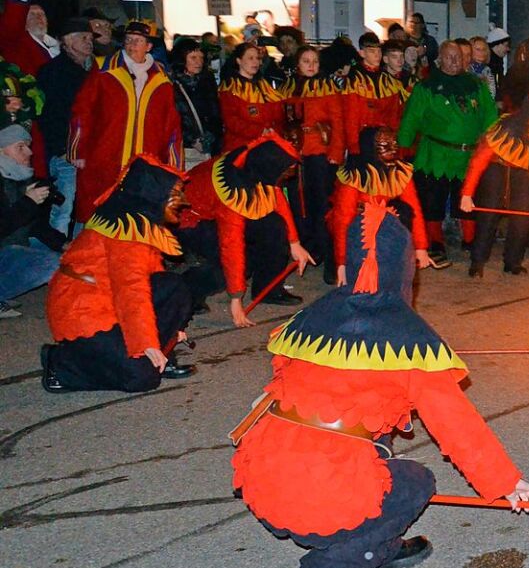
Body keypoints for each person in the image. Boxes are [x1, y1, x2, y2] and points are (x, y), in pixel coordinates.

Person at [231, 203, 529, 568]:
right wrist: (507, 482)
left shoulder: (311, 318)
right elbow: (458, 427)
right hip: (315, 498)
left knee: (372, 454)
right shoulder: (408, 345)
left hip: (263, 481)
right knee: (414, 482)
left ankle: (376, 543)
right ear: (402, 271)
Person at [41, 155, 194, 392]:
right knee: (142, 379)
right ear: (153, 198)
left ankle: (157, 357)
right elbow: (131, 292)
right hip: (83, 311)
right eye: (175, 195)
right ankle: (62, 363)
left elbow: (153, 280)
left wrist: (169, 328)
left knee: (175, 286)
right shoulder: (126, 234)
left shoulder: (137, 219)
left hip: (107, 300)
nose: (183, 201)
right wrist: (146, 343)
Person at [175, 133, 314, 327]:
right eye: (287, 172)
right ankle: (186, 292)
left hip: (221, 210)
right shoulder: (233, 192)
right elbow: (231, 246)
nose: (290, 177)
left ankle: (268, 288)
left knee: (273, 226)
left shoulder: (256, 166)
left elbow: (276, 199)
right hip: (193, 219)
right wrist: (236, 298)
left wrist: (294, 243)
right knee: (232, 266)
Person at [68, 20, 182, 225]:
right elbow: (82, 110)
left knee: (138, 220)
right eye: (128, 40)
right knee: (97, 218)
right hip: (105, 157)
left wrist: (173, 165)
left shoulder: (162, 77)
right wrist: (77, 150)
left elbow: (171, 125)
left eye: (137, 41)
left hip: (145, 163)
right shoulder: (104, 68)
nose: (131, 45)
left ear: (148, 47)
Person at [397, 41, 499, 264]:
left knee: (467, 200)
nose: (455, 62)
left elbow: (490, 117)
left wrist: (494, 145)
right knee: (433, 202)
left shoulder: (476, 85)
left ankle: (470, 241)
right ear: (439, 59)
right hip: (436, 156)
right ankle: (436, 244)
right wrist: (400, 152)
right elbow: (410, 119)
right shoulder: (426, 87)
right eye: (450, 57)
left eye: (459, 57)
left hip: (468, 156)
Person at [460, 103, 529, 277]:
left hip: (523, 173)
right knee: (487, 216)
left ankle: (513, 261)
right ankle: (477, 261)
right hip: (496, 168)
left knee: (523, 216)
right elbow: (478, 163)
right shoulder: (503, 132)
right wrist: (467, 195)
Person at [327, 126, 429, 285]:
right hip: (359, 232)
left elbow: (414, 208)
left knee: (403, 210)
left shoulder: (401, 172)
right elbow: (343, 221)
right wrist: (342, 263)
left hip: (388, 230)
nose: (392, 149)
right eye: (385, 145)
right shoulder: (354, 177)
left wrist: (420, 247)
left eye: (394, 144)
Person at [281, 45, 344, 265]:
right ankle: (307, 247)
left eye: (315, 61)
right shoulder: (289, 88)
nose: (311, 66)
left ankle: (327, 250)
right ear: (297, 64)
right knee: (300, 203)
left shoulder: (327, 87)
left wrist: (336, 153)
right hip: (296, 152)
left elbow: (337, 122)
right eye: (306, 61)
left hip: (320, 152)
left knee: (321, 203)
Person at [36, 16, 94, 235]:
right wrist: (63, 149)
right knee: (64, 207)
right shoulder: (55, 72)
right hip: (66, 152)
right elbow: (53, 115)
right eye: (83, 37)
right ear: (67, 42)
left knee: (82, 207)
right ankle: (50, 257)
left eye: (89, 38)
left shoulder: (89, 71)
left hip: (83, 151)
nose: (88, 42)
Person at [0, 123, 63, 318]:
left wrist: (64, 244)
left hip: (12, 245)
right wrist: (28, 202)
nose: (29, 152)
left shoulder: (21, 179)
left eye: (28, 145)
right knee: (48, 263)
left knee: (62, 258)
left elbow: (35, 225)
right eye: (20, 146)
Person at [341, 32, 409, 156]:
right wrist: (353, 144)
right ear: (362, 53)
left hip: (386, 141)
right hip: (363, 140)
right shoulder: (354, 79)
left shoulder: (389, 81)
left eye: (379, 51)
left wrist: (395, 139)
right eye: (372, 51)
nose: (377, 55)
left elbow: (395, 116)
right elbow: (351, 116)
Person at [219, 42, 285, 151]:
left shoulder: (265, 86)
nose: (256, 62)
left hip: (268, 145)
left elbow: (280, 116)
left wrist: (273, 131)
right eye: (250, 58)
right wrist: (259, 131)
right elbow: (232, 121)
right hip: (240, 148)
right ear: (238, 61)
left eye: (258, 58)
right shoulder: (230, 88)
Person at [169, 38, 222, 169]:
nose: (199, 62)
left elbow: (216, 113)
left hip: (208, 148)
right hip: (184, 149)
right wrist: (191, 140)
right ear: (182, 59)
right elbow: (172, 119)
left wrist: (212, 134)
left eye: (201, 57)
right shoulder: (171, 85)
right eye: (193, 57)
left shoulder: (207, 82)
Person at [0, 0, 60, 76]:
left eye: (41, 14)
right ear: (22, 21)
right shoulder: (16, 43)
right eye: (32, 14)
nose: (39, 18)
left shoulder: (58, 45)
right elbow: (12, 23)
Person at [485, 26, 511, 97]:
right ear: (496, 45)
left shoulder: (497, 63)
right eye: (506, 45)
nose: (508, 49)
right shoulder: (488, 67)